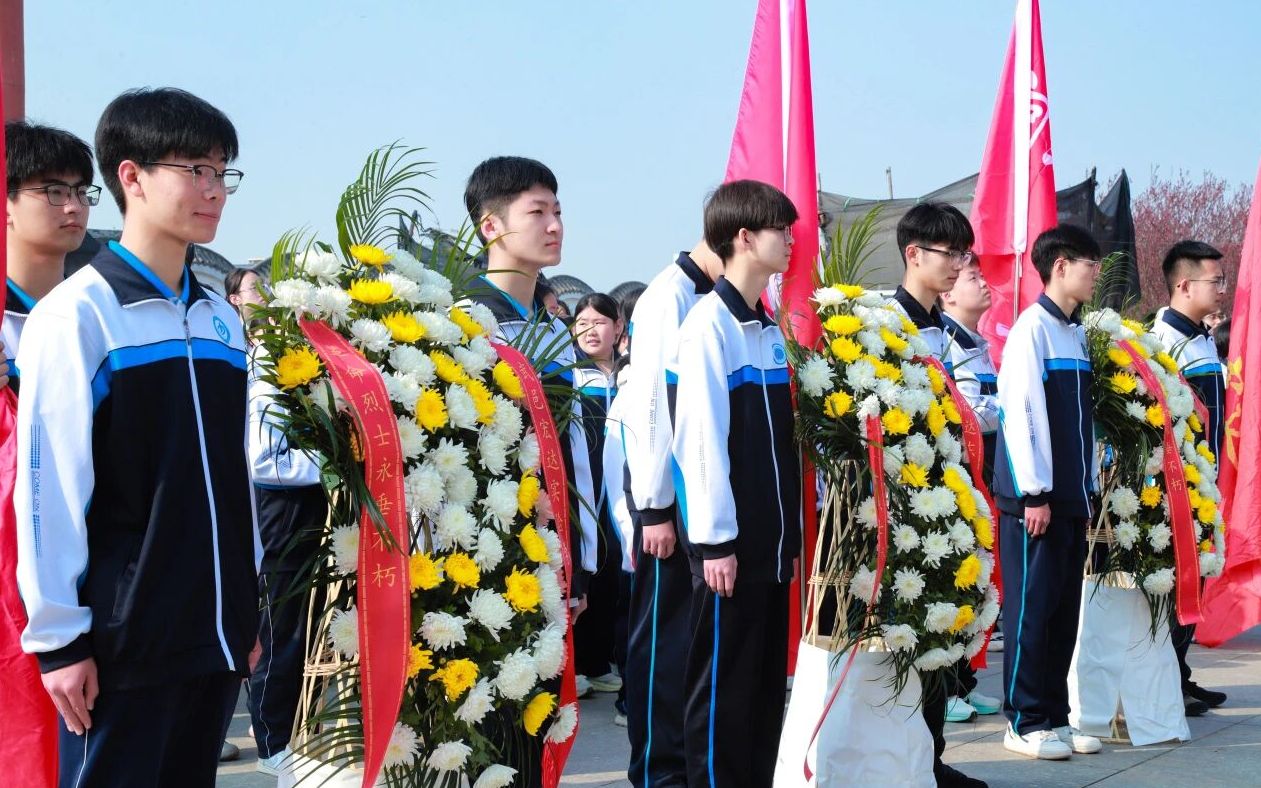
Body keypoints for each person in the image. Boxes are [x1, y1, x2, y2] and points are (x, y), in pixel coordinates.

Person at [14, 87, 258, 787]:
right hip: (125, 640)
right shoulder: (79, 315)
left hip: (214, 631)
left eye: (223, 172)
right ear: (132, 176)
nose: (214, 190)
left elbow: (234, 477)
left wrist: (247, 607)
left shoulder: (221, 322)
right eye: (195, 170)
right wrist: (59, 639)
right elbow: (49, 488)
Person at [463, 155, 597, 785]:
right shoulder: (465, 319)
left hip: (549, 548)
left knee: (537, 715)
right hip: (484, 555)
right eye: (537, 212)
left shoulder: (552, 331)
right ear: (490, 226)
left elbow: (573, 452)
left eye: (558, 211)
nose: (554, 225)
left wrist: (581, 553)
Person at [671, 180, 801, 786]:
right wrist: (716, 540)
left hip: (771, 545)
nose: (792, 241)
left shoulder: (767, 329)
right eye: (782, 230)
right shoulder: (709, 326)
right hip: (731, 549)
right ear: (744, 237)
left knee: (764, 691)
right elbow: (699, 444)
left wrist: (789, 535)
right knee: (723, 691)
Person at [1, 119, 96, 788]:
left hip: (91, 572)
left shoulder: (91, 317)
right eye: (51, 190)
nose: (72, 207)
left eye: (81, 191)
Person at [887, 202, 987, 788]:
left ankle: (931, 759)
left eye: (963, 254)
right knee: (909, 634)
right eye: (950, 254)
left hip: (951, 499)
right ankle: (903, 761)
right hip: (905, 506)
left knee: (943, 633)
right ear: (913, 254)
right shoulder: (881, 326)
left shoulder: (948, 333)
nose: (957, 265)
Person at [994, 224, 1103, 761]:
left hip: (1071, 498)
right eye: (1089, 264)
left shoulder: (1074, 333)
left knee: (1062, 613)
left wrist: (1089, 486)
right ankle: (1024, 719)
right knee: (1030, 611)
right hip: (1036, 501)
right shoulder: (1031, 330)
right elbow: (1022, 414)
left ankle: (1055, 717)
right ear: (1060, 266)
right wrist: (1033, 492)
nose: (1096, 274)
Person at [619, 238, 723, 787]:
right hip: (665, 501)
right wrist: (654, 506)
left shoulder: (707, 293)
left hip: (692, 497)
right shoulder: (668, 297)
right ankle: (657, 771)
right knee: (663, 643)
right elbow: (651, 410)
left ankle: (682, 763)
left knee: (688, 642)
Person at [224, 266, 327, 775]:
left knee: (308, 625)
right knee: (280, 626)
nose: (266, 297)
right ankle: (271, 739)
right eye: (255, 290)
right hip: (279, 510)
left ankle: (297, 731)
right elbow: (265, 459)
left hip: (311, 505)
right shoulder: (263, 362)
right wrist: (333, 461)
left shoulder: (302, 356)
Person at [1149, 240, 1230, 716]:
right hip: (1175, 488)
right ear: (1183, 285)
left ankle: (1177, 674)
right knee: (1176, 585)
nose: (1222, 289)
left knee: (1194, 583)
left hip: (1205, 482)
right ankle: (1165, 681)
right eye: (1215, 281)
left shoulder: (1201, 337)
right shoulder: (1161, 341)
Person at [939, 258, 1004, 722]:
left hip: (983, 482)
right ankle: (945, 687)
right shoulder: (947, 343)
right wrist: (1008, 405)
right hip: (959, 482)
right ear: (948, 294)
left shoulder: (977, 345)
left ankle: (964, 681)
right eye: (973, 278)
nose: (984, 285)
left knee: (976, 585)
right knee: (954, 582)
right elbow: (967, 413)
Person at [571, 293, 629, 702]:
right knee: (584, 572)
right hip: (583, 488)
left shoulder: (630, 373)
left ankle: (602, 662)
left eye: (599, 322)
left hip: (620, 490)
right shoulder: (571, 375)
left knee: (614, 571)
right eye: (582, 323)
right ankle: (579, 665)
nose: (590, 330)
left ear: (618, 327)